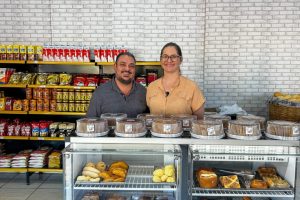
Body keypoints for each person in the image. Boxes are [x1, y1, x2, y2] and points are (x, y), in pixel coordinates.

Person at [146, 42, 205, 119]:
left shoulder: (192, 87)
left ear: (180, 60)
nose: (169, 60)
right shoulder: (151, 87)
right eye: (165, 56)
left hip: (184, 131)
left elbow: (199, 120)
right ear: (160, 60)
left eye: (173, 56)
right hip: (156, 131)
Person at [86, 51, 147, 118]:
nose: (127, 69)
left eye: (131, 66)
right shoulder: (100, 93)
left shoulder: (144, 92)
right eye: (122, 64)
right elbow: (90, 122)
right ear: (115, 67)